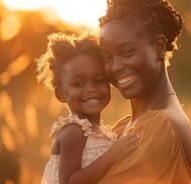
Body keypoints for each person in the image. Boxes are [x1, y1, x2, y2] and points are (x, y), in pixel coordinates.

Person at [98, 0, 191, 183]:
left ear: (159, 47)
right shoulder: (126, 126)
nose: (115, 66)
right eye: (107, 57)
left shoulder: (161, 126)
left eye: (127, 52)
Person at [36, 33, 140, 184]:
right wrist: (113, 155)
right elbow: (70, 182)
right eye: (78, 83)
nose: (91, 89)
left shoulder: (99, 132)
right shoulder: (73, 132)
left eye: (99, 81)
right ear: (61, 95)